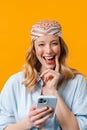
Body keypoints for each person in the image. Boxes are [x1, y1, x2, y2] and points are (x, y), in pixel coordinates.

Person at [0, 20, 87, 130]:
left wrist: (53, 92)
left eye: (54, 43)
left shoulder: (77, 82)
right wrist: (28, 122)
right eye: (41, 44)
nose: (48, 51)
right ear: (34, 49)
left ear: (61, 46)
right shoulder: (15, 82)